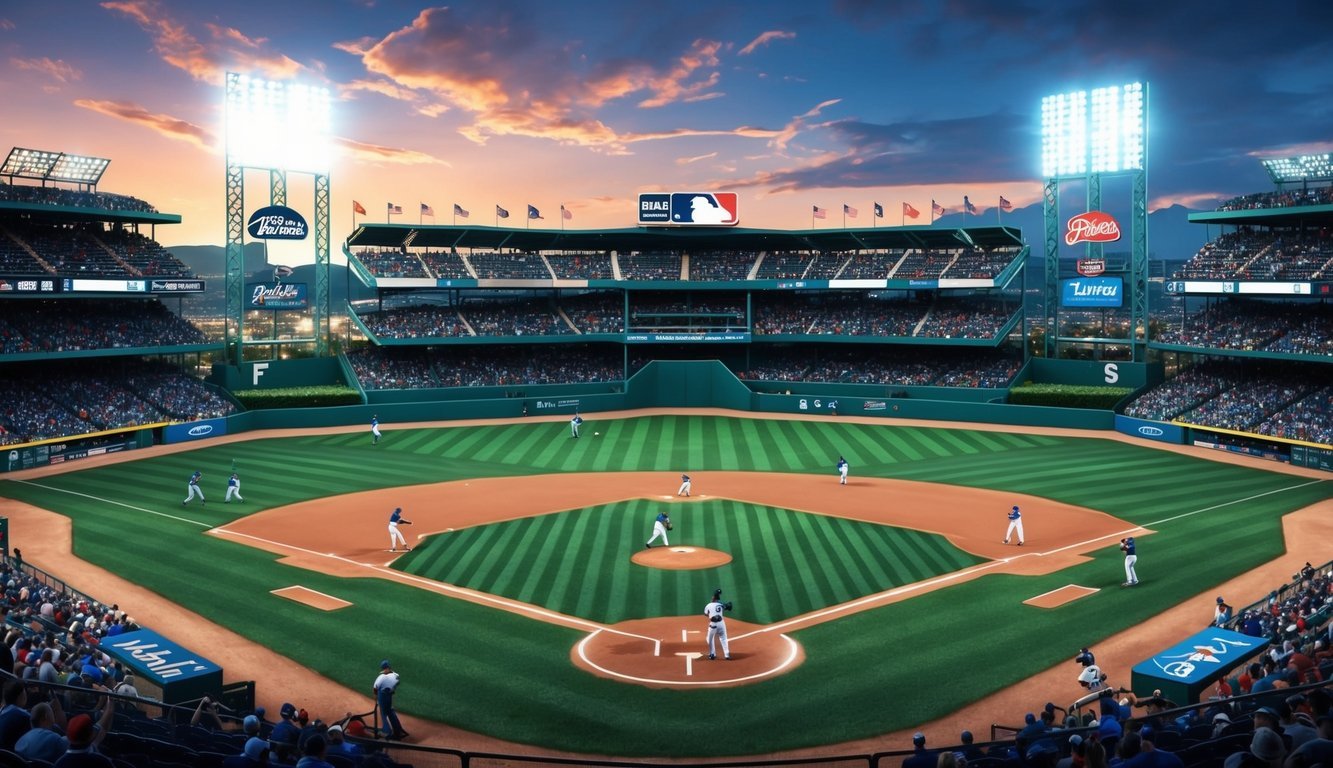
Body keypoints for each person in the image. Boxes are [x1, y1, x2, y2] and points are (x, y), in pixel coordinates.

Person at [374, 659, 407, 740]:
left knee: (385, 714)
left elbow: (375, 688)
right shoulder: (396, 675)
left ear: (387, 668)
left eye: (384, 668)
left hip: (383, 696)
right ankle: (398, 729)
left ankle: (388, 732)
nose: (384, 670)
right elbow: (397, 683)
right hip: (389, 696)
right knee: (391, 712)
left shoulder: (381, 677)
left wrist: (376, 697)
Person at [704, 588, 732, 660]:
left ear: (713, 598)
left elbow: (706, 614)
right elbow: (727, 607)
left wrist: (711, 615)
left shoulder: (708, 605)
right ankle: (727, 655)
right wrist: (727, 606)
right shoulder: (721, 605)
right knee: (723, 639)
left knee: (709, 639)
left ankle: (712, 654)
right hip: (722, 624)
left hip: (713, 625)